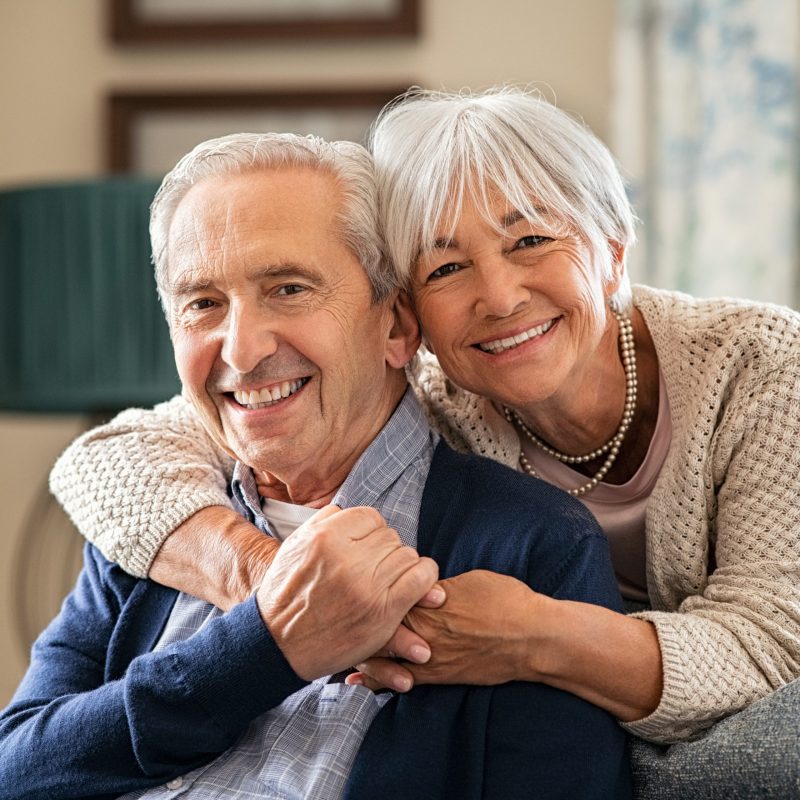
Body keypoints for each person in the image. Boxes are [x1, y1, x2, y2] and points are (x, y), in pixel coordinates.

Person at [50, 88, 800, 796]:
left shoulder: (762, 367)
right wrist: (283, 595)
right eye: (446, 266)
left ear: (613, 248)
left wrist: (534, 634)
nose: (499, 297)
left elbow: (775, 647)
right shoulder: (428, 391)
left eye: (531, 239)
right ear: (411, 318)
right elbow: (112, 458)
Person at [0, 131, 632, 800]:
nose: (241, 351)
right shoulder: (155, 527)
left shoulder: (529, 546)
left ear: (396, 328)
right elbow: (17, 769)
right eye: (203, 304)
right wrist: (265, 649)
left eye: (289, 289)